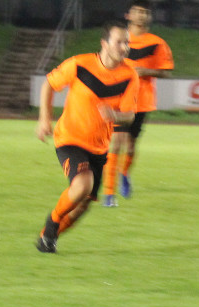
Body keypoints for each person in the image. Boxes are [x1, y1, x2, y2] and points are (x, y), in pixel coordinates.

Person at [34, 20, 139, 253]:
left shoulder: (130, 76)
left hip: (99, 148)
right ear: (104, 43)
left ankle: (47, 238)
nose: (124, 47)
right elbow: (49, 85)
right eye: (119, 42)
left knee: (82, 207)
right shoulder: (79, 64)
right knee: (82, 184)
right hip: (70, 139)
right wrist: (44, 118)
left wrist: (115, 114)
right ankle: (52, 222)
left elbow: (130, 115)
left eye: (127, 43)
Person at [101, 0, 174, 207]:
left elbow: (167, 71)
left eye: (145, 12)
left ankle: (124, 174)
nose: (141, 15)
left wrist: (146, 71)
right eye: (137, 11)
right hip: (119, 97)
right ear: (128, 15)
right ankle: (108, 193)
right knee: (117, 141)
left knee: (130, 146)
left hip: (141, 100)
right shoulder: (119, 38)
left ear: (149, 17)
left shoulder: (157, 43)